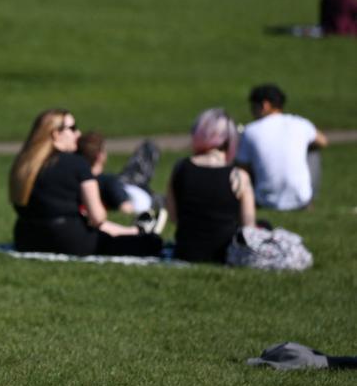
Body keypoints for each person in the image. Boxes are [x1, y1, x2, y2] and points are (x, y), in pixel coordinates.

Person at [9, 109, 163, 257]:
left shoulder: (25, 164)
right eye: (73, 128)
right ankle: (139, 232)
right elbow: (97, 218)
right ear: (56, 134)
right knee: (152, 243)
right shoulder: (77, 163)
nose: (78, 134)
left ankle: (134, 231)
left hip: (26, 238)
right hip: (68, 240)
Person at [167, 108, 256, 263]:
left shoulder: (180, 168)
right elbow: (249, 227)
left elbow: (173, 217)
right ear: (230, 140)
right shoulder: (239, 177)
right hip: (225, 254)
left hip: (186, 252)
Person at [236, 84, 328, 211]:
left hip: (263, 200)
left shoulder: (250, 130)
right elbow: (323, 141)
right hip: (301, 200)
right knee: (312, 150)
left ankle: (250, 200)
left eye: (253, 107)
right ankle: (309, 200)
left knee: (245, 157)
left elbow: (242, 168)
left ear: (264, 105)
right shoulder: (300, 123)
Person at [76, 132, 164, 228]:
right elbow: (126, 208)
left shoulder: (76, 180)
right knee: (149, 148)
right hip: (136, 189)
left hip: (128, 184)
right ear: (100, 156)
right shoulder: (108, 182)